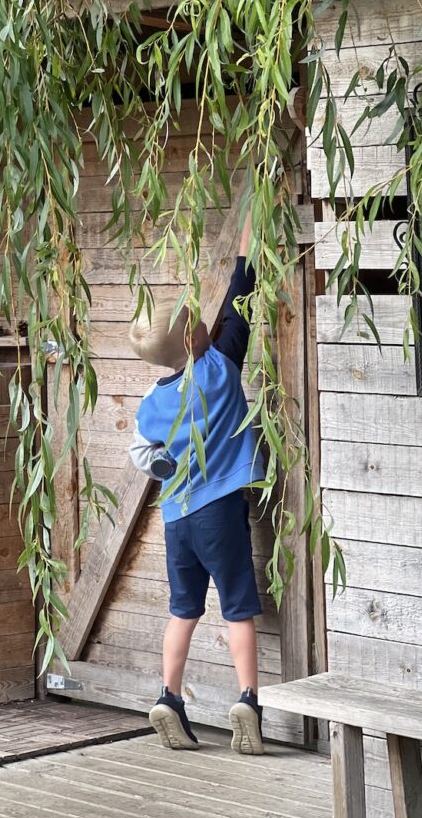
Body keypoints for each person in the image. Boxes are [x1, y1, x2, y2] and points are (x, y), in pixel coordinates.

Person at [128, 216, 265, 754]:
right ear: (195, 336)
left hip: (176, 518)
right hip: (218, 512)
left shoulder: (151, 403)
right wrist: (249, 240)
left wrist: (165, 466)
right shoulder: (221, 369)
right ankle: (248, 699)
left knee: (183, 608)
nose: (209, 320)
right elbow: (240, 295)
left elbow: (142, 453)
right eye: (197, 320)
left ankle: (169, 697)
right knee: (238, 606)